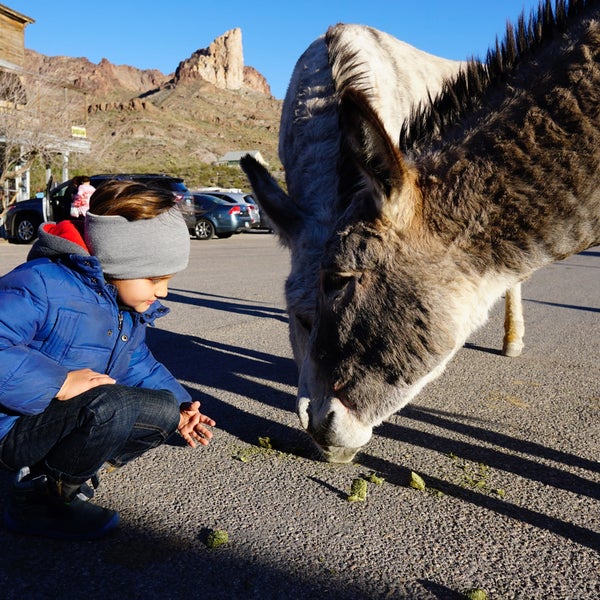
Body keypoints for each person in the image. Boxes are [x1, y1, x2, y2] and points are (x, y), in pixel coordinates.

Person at [0, 180, 214, 541]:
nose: (162, 291)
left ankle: (67, 472)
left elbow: (138, 364)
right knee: (112, 406)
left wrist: (180, 406)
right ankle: (37, 500)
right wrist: (59, 381)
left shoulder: (119, 303)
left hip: (60, 423)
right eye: (154, 278)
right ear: (119, 261)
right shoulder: (41, 284)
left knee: (160, 409)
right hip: (13, 430)